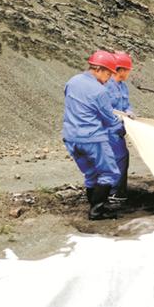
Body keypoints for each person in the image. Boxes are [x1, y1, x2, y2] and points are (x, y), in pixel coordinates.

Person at [62, 50, 122, 220]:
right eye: (109, 74)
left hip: (71, 137)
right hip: (92, 138)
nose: (109, 78)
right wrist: (122, 124)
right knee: (109, 173)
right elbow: (109, 119)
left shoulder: (72, 81)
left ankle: (95, 206)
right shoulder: (99, 91)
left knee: (91, 174)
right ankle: (97, 210)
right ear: (99, 69)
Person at [103, 52, 135, 204]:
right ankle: (114, 193)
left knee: (121, 157)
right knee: (118, 158)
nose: (130, 72)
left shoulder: (123, 87)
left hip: (118, 130)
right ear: (121, 70)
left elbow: (126, 104)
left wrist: (129, 112)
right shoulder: (106, 85)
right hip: (109, 131)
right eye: (128, 69)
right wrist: (118, 118)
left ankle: (115, 191)